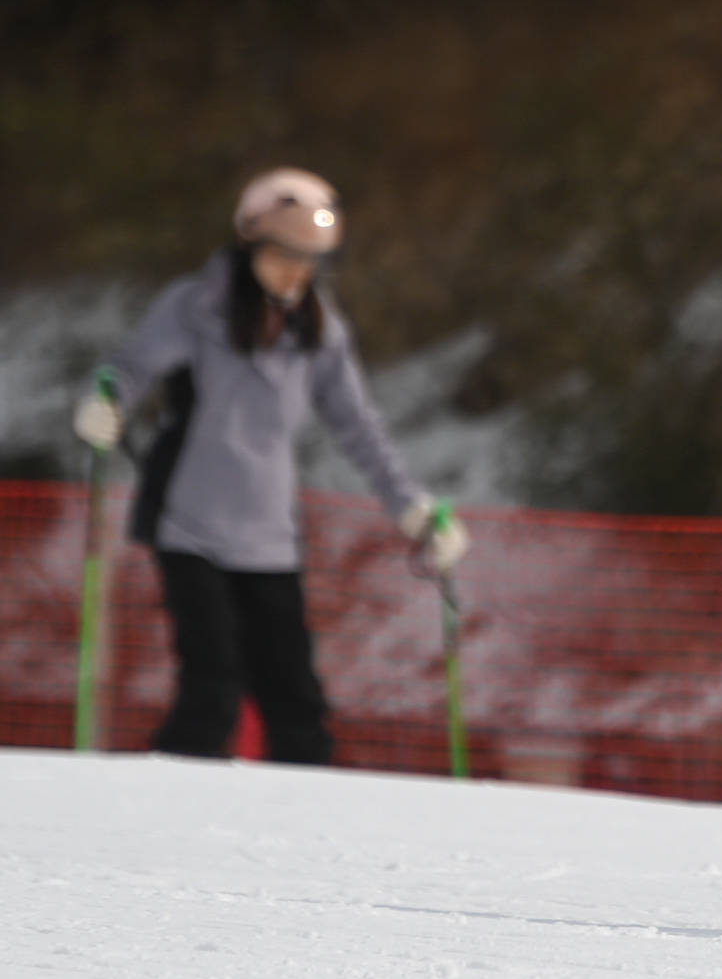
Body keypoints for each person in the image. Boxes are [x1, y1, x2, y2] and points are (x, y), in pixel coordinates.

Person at [71, 168, 469, 765]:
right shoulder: (196, 307)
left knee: (296, 700)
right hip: (189, 524)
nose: (295, 273)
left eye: (311, 262)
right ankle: (162, 823)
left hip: (268, 537)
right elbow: (129, 369)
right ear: (249, 246)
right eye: (283, 256)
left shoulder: (320, 331)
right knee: (213, 691)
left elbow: (360, 428)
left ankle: (302, 840)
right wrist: (104, 404)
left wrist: (410, 508)